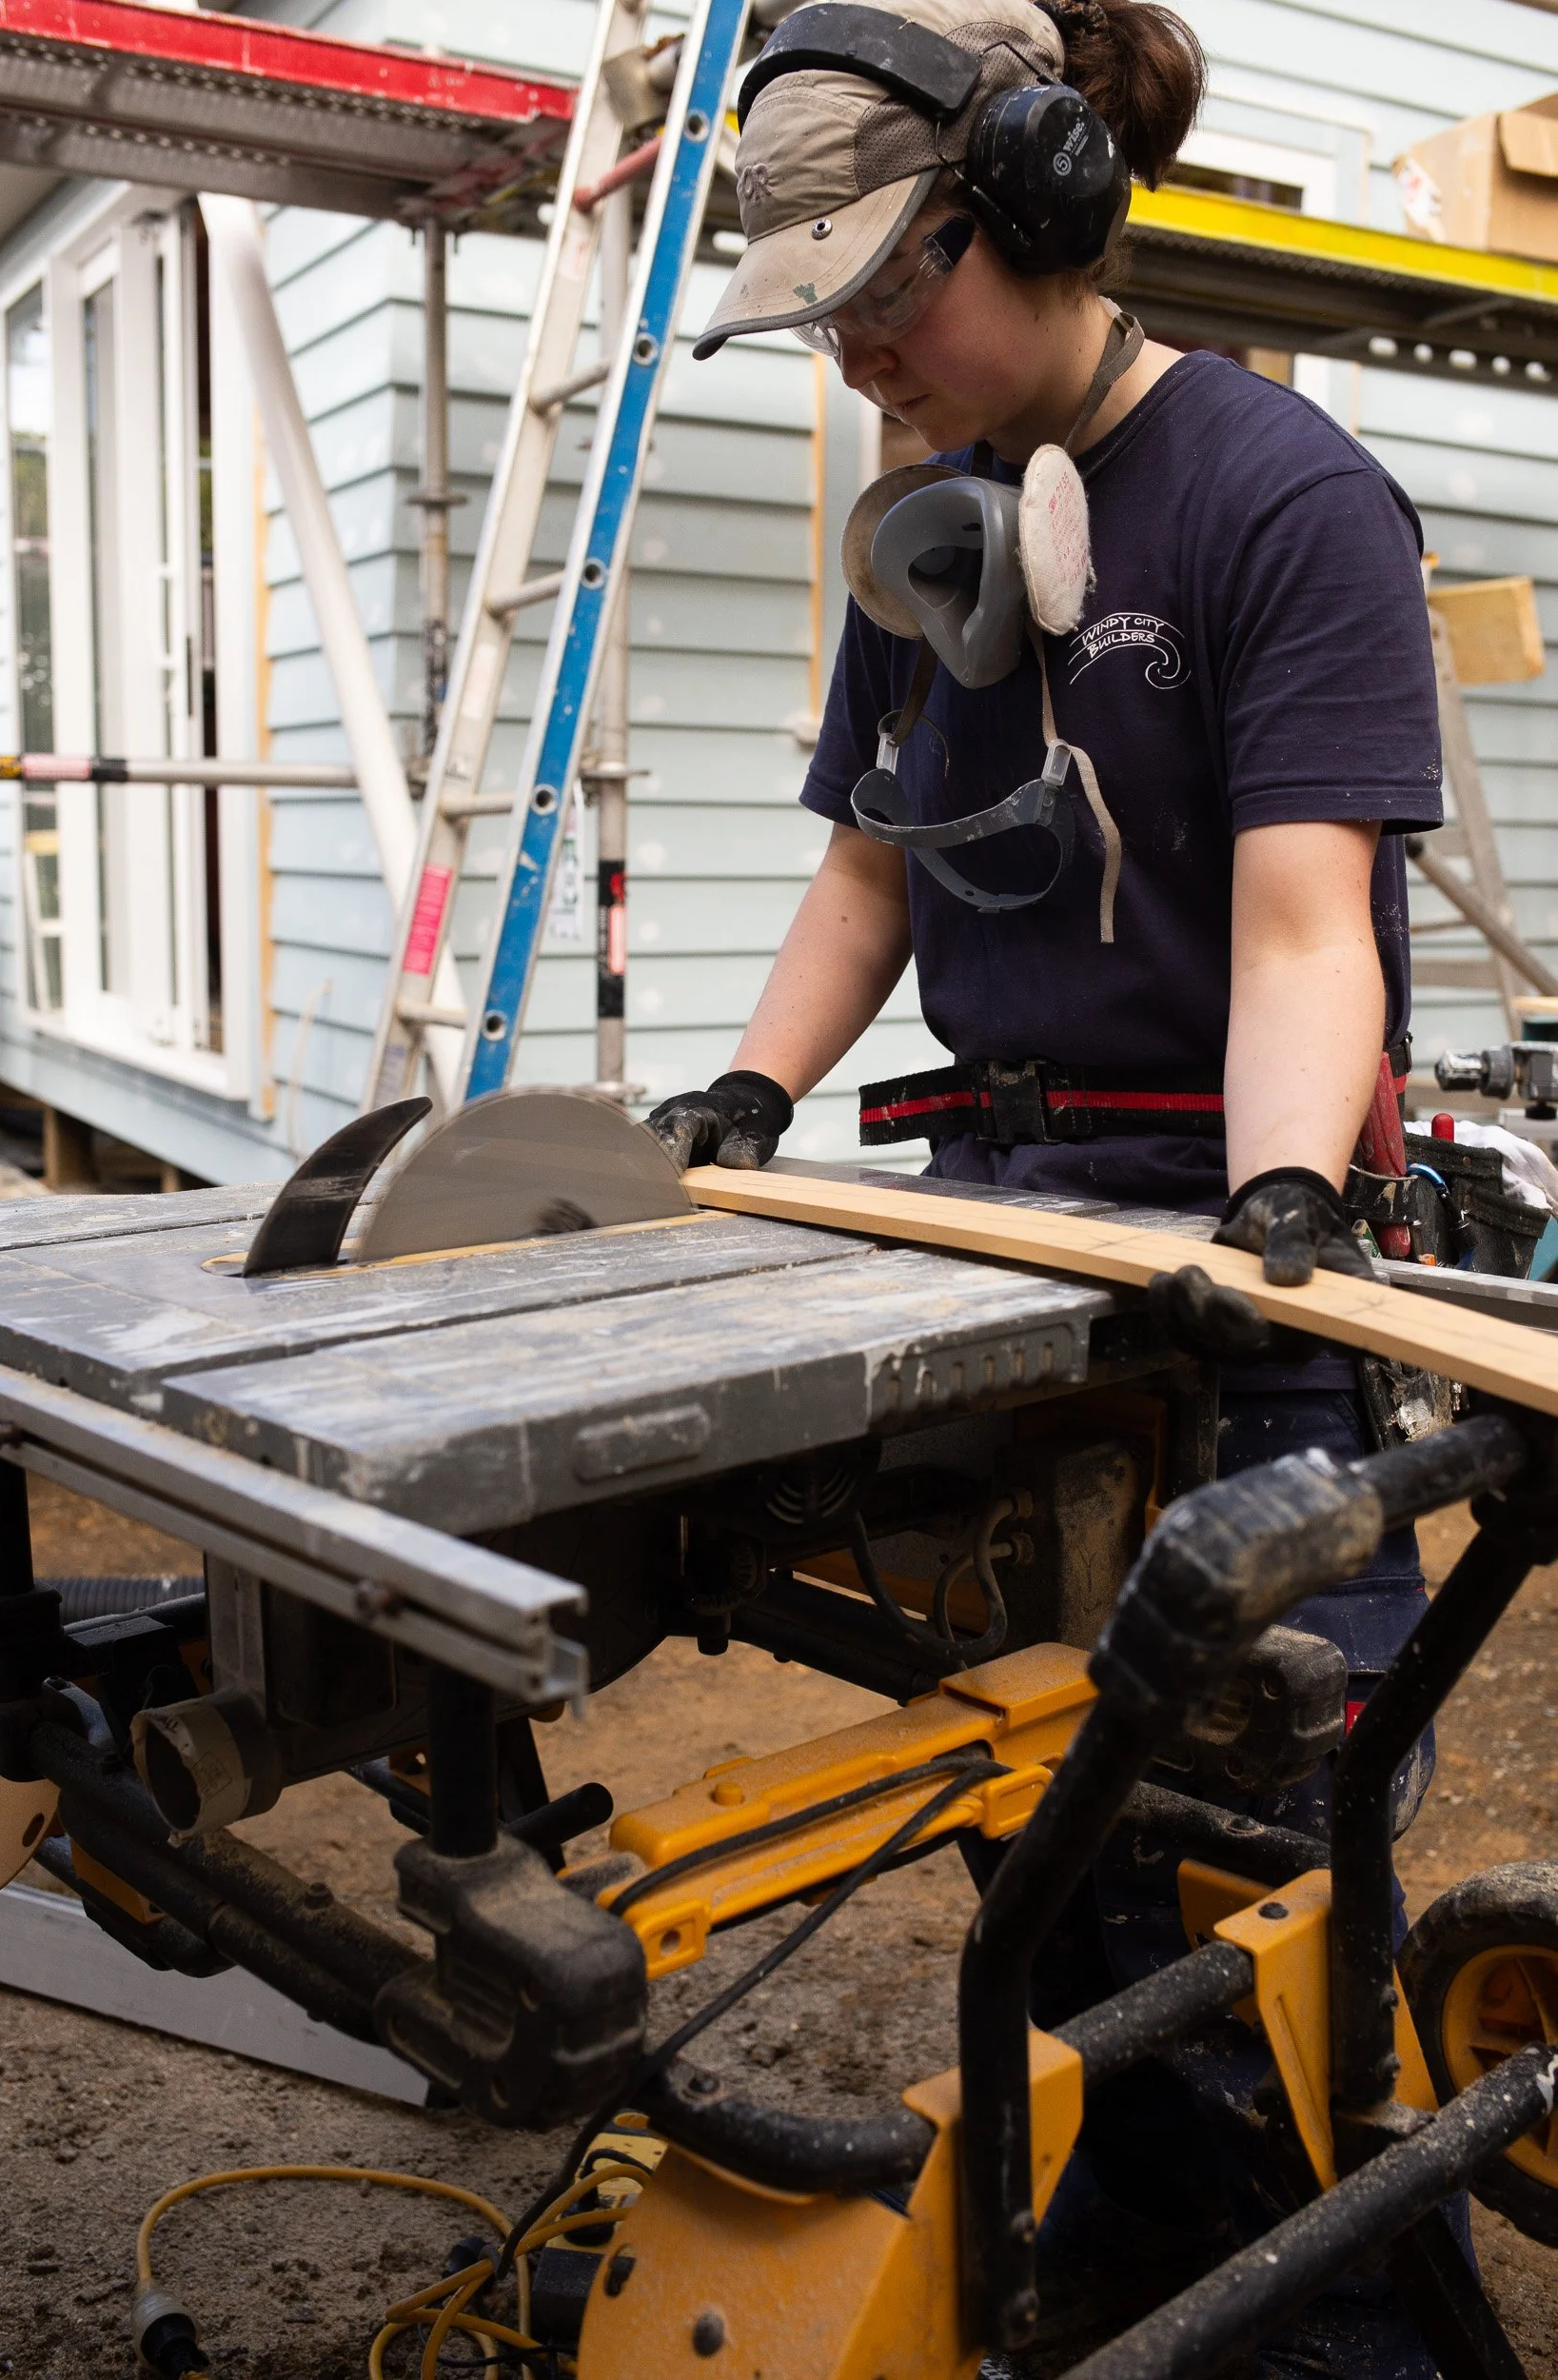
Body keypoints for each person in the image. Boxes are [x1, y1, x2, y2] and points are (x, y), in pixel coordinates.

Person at [648, 0, 1453, 2370]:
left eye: (890, 294)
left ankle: (1336, 2329)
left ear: (1043, 209)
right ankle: (1115, 2267)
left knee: (1254, 1861)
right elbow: (863, 884)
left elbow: (1307, 927)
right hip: (992, 1234)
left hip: (1220, 1237)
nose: (861, 354)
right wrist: (743, 1089)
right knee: (1035, 1792)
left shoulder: (1272, 498)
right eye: (823, 319)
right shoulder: (926, 532)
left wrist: (1278, 1218)